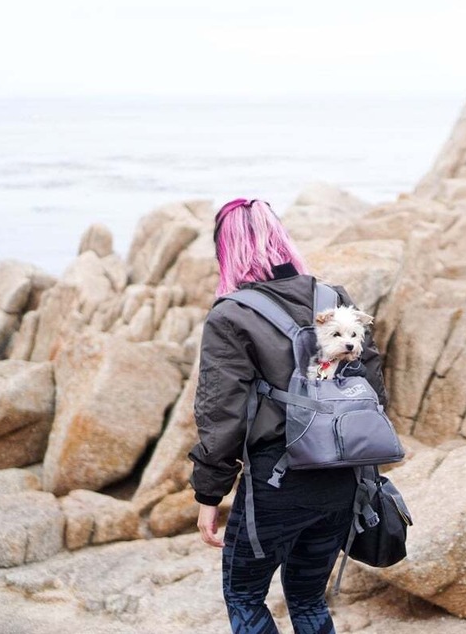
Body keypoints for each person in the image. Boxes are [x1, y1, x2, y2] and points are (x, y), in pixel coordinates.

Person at [188, 198, 388, 634]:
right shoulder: (333, 297)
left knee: (244, 596)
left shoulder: (232, 314)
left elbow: (221, 414)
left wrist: (208, 494)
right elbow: (372, 388)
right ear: (280, 238)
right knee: (307, 598)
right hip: (343, 479)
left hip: (277, 483)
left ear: (226, 250)